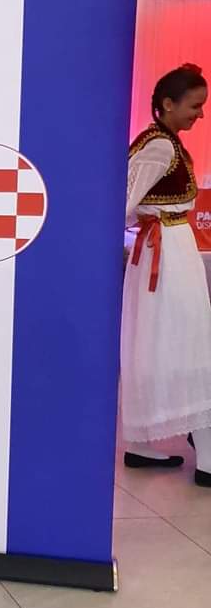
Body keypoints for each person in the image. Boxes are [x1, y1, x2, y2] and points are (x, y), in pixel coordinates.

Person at [121, 62, 211, 484]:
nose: (200, 114)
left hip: (169, 248)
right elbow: (123, 201)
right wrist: (144, 222)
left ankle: (143, 442)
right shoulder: (158, 146)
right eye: (195, 106)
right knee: (186, 342)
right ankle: (205, 456)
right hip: (167, 252)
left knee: (167, 341)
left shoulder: (164, 141)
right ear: (168, 104)